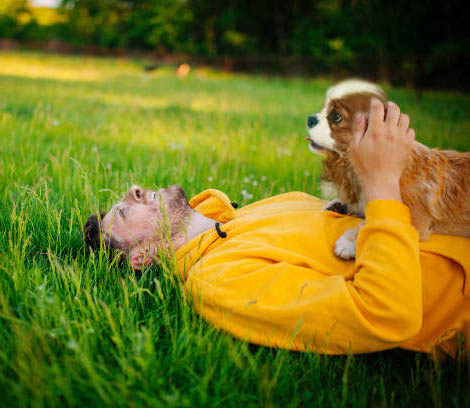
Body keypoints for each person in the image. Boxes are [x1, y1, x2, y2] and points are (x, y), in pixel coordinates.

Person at [84, 100, 470, 358]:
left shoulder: (261, 209)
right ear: (141, 257)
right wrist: (382, 180)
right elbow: (387, 316)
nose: (135, 190)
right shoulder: (219, 281)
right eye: (122, 210)